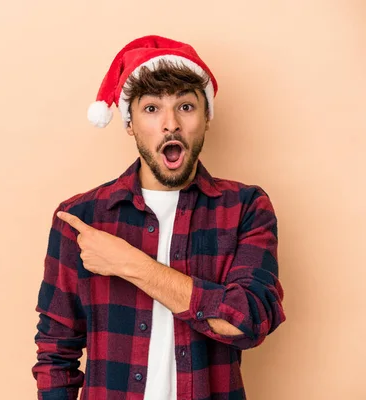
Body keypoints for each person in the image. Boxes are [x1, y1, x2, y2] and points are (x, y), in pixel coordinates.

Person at [32, 35, 286, 400]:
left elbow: (246, 320)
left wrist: (131, 264)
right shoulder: (80, 218)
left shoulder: (246, 207)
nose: (171, 124)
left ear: (206, 117)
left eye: (185, 106)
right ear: (130, 122)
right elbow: (56, 350)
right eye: (152, 109)